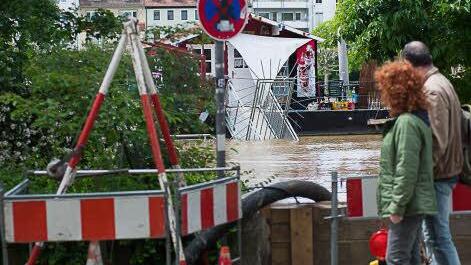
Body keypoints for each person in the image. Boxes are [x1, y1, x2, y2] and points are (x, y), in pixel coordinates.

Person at [402, 41, 463, 265]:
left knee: (438, 239)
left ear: (408, 64)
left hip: (437, 176)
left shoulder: (432, 91)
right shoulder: (442, 82)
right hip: (445, 172)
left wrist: (421, 179)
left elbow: (436, 142)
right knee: (435, 238)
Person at [375, 60, 437, 265]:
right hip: (414, 203)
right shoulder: (416, 120)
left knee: (396, 258)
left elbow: (406, 169)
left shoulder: (406, 123)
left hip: (408, 206)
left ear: (395, 92)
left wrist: (397, 207)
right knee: (410, 257)